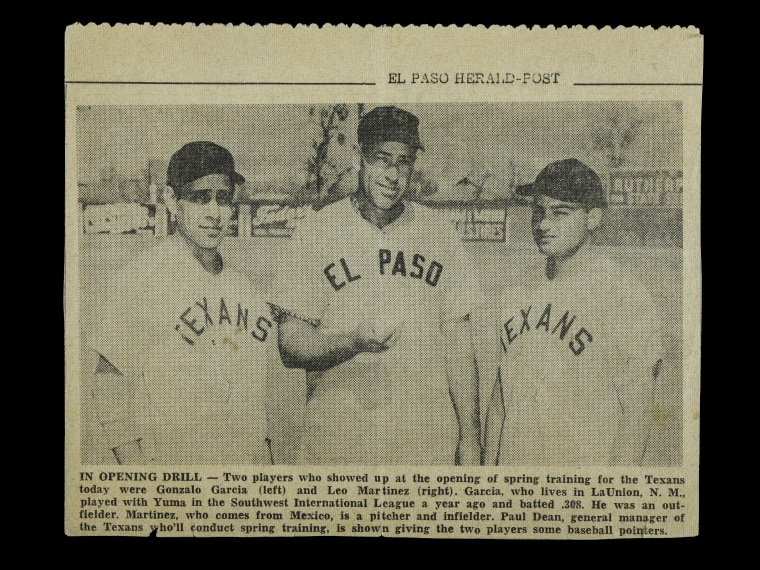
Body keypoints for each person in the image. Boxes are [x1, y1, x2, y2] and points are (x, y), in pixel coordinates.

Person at [270, 106, 482, 465]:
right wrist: (351, 342)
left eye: (404, 161)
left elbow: (459, 347)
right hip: (338, 445)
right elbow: (290, 345)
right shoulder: (315, 231)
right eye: (381, 159)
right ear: (358, 157)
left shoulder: (440, 234)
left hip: (426, 446)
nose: (393, 174)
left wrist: (471, 441)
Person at [89, 141, 274, 464]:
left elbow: (256, 400)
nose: (214, 212)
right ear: (173, 201)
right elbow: (108, 386)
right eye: (200, 197)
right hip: (178, 474)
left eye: (223, 198)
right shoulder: (143, 278)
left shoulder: (245, 288)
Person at [484, 158, 662, 466]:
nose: (543, 224)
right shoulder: (514, 290)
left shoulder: (624, 295)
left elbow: (637, 416)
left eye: (560, 212)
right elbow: (501, 405)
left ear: (592, 217)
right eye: (538, 210)